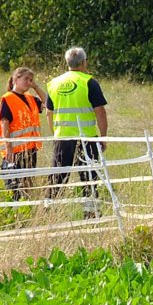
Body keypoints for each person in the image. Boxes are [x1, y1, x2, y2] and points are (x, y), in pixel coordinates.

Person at [45, 47, 108, 218]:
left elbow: (48, 113)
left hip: (62, 137)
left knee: (57, 176)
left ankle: (48, 212)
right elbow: (100, 112)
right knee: (89, 176)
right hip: (86, 137)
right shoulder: (89, 82)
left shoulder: (54, 83)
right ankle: (91, 213)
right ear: (83, 62)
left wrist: (55, 133)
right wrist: (103, 137)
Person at [0, 67, 46, 200]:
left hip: (31, 149)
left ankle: (27, 213)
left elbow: (48, 103)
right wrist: (9, 148)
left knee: (28, 187)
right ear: (15, 79)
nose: (29, 82)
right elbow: (4, 123)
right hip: (15, 151)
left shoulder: (31, 98)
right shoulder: (8, 98)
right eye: (26, 79)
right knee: (15, 188)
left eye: (31, 80)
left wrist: (35, 86)